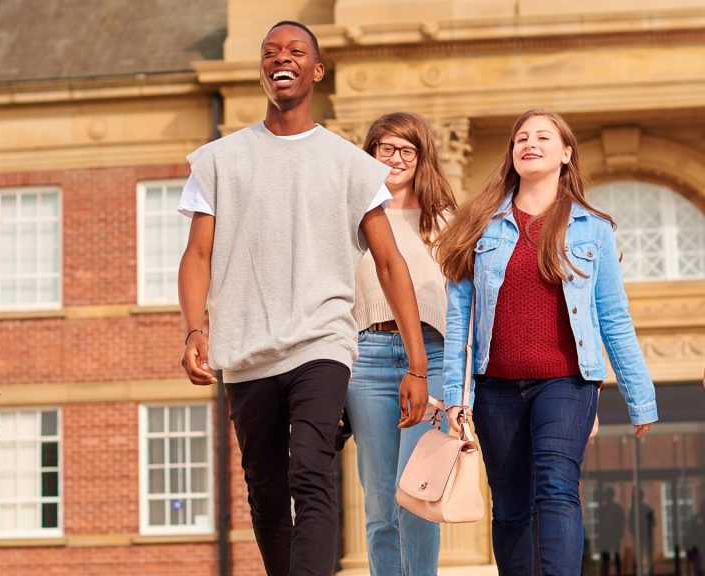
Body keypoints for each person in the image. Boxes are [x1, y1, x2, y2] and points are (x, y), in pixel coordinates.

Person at [177, 21, 429, 576]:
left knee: (309, 473)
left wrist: (416, 363)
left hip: (321, 341)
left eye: (294, 52)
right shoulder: (218, 160)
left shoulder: (353, 166)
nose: (280, 59)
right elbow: (197, 256)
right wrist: (196, 329)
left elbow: (391, 263)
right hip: (244, 350)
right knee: (265, 492)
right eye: (269, 53)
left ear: (316, 70)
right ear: (262, 70)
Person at [437, 108, 658, 575]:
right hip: (495, 386)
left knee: (557, 487)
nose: (529, 144)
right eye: (520, 138)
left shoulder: (592, 229)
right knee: (511, 503)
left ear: (565, 153)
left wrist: (640, 399)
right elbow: (460, 319)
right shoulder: (479, 225)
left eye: (542, 137)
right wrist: (456, 397)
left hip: (566, 382)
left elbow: (613, 318)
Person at [344, 112, 456, 575]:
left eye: (407, 149)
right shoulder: (351, 218)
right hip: (367, 358)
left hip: (433, 357)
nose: (396, 158)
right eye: (386, 148)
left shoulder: (446, 220)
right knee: (380, 502)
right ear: (370, 154)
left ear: (421, 157)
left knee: (418, 493)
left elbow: (466, 297)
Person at [598, 486, 624, 576]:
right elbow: (600, 524)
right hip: (607, 537)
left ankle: (617, 573)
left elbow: (621, 522)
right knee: (606, 557)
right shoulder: (604, 509)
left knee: (615, 556)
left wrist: (619, 534)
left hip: (613, 536)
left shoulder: (616, 508)